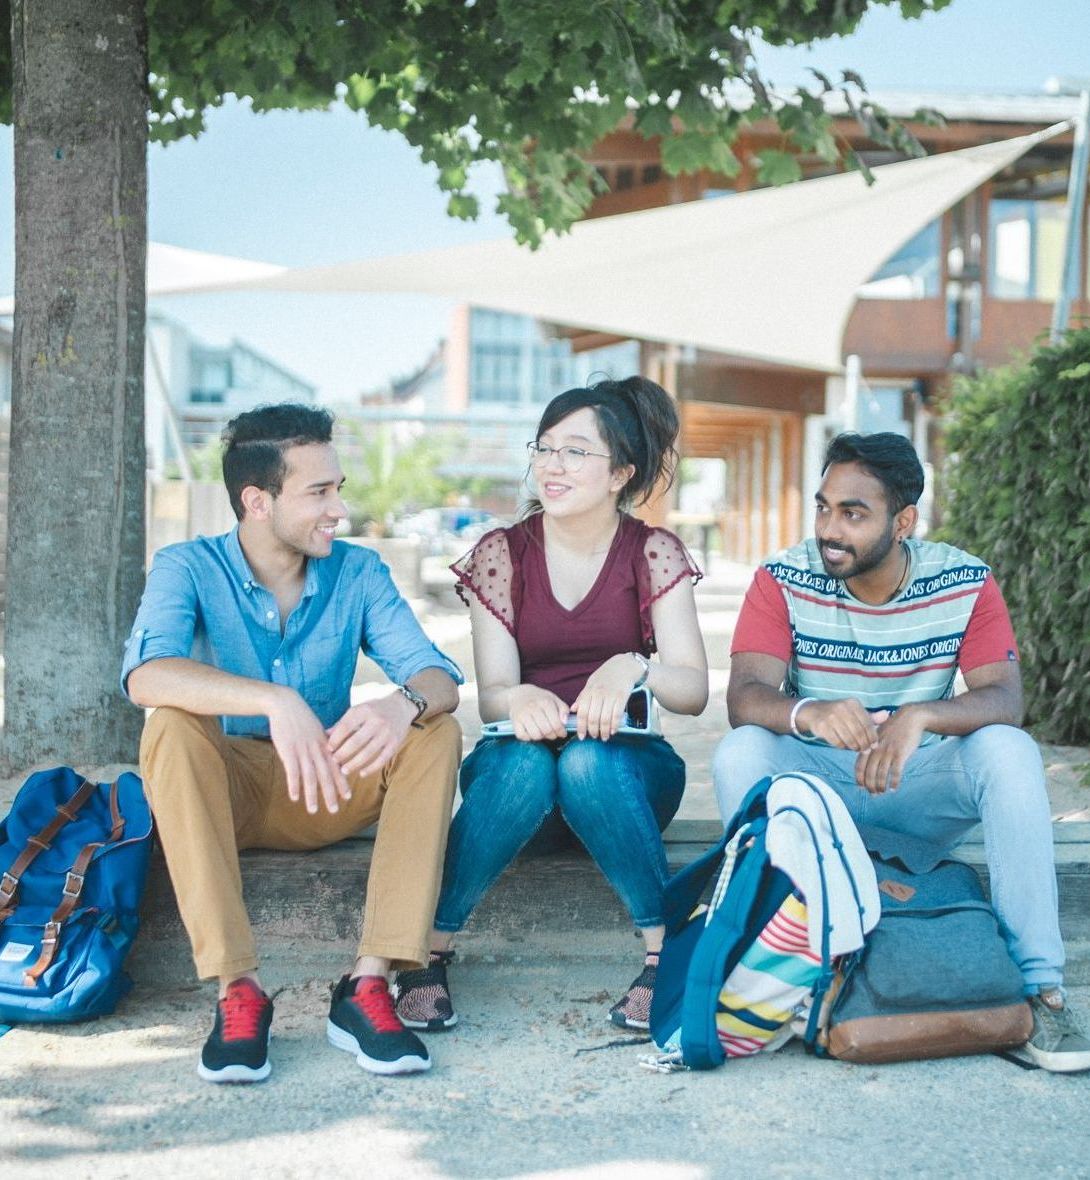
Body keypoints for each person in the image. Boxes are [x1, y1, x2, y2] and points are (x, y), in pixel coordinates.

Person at [712, 430, 1090, 1073]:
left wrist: (921, 716)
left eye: (853, 513)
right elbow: (746, 696)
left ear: (904, 520)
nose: (831, 528)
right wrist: (809, 713)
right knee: (742, 751)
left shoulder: (964, 580)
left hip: (918, 784)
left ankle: (1041, 990)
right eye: (824, 506)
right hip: (821, 791)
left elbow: (1004, 699)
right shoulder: (782, 577)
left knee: (1009, 750)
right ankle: (771, 973)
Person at [122, 403, 463, 1082]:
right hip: (231, 790)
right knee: (170, 726)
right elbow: (147, 674)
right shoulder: (186, 566)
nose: (338, 507)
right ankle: (237, 990)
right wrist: (273, 700)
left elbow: (438, 675)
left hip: (330, 783)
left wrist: (404, 701)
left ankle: (368, 985)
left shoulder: (358, 572)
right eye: (319, 492)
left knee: (437, 729)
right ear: (257, 501)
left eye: (337, 487)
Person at [391, 376, 709, 1033]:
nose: (551, 466)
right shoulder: (500, 555)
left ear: (621, 472)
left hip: (624, 780)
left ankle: (663, 956)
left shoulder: (652, 553)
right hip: (521, 787)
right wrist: (522, 695)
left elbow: (694, 689)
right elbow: (491, 698)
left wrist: (636, 665)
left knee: (588, 764)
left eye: (575, 452)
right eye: (545, 448)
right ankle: (427, 954)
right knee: (530, 767)